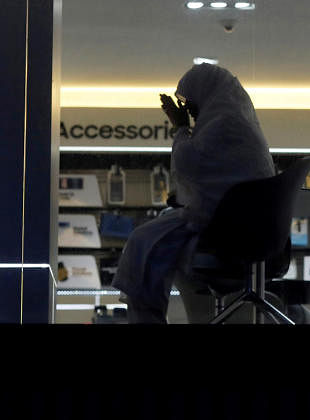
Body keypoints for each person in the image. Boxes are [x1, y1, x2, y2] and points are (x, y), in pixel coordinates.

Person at [113, 63, 276, 323]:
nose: (189, 111)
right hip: (249, 231)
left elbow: (189, 164)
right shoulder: (238, 124)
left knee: (143, 241)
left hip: (226, 232)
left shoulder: (223, 125)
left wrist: (179, 128)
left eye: (190, 104)